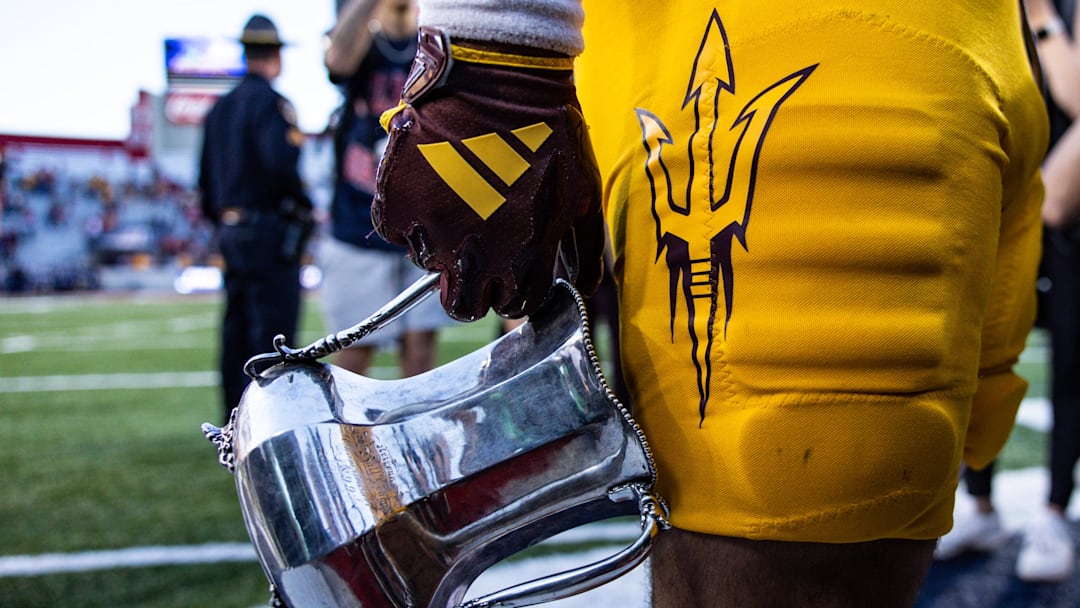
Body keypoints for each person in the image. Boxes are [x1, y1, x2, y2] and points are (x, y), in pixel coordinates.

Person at [372, 1, 1047, 605]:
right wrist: (500, 47)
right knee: (801, 505)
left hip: (977, 37)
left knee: (868, 509)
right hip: (749, 29)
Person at [936, 0, 1080, 584]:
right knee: (982, 352)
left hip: (1065, 210)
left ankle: (1052, 512)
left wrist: (1042, 16)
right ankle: (981, 503)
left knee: (1071, 361)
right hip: (1002, 194)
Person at [320, 0, 449, 377]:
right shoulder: (362, 39)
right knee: (355, 349)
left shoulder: (434, 40)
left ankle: (412, 435)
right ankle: (350, 437)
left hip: (422, 223)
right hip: (357, 220)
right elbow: (337, 64)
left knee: (421, 347)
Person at [198, 14, 313, 423]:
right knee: (272, 330)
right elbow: (280, 164)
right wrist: (303, 205)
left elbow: (205, 181)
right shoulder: (270, 102)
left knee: (235, 327)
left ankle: (234, 419)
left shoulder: (219, 109)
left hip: (231, 230)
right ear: (276, 56)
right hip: (267, 230)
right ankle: (270, 420)